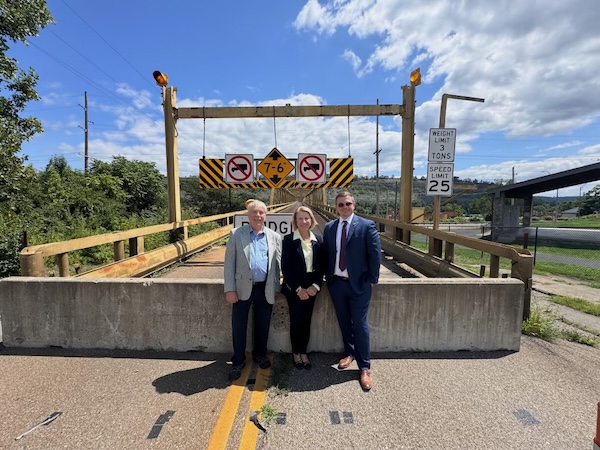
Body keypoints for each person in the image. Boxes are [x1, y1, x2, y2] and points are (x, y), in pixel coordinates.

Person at [323, 191, 381, 390]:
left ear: (354, 205)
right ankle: (350, 353)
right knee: (343, 321)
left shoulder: (366, 226)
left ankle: (365, 367)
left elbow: (375, 254)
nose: (344, 207)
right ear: (336, 207)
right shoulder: (330, 227)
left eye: (348, 203)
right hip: (336, 283)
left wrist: (372, 279)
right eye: (340, 204)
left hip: (359, 284)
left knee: (360, 324)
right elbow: (328, 254)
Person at [224, 199, 282, 381]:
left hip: (265, 287)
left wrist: (276, 286)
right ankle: (238, 360)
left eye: (261, 213)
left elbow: (277, 265)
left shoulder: (274, 236)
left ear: (266, 215)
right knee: (239, 326)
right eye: (254, 212)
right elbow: (229, 264)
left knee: (263, 324)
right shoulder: (236, 234)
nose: (258, 215)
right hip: (241, 288)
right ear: (248, 216)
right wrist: (230, 289)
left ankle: (259, 354)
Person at [281, 205, 324, 371]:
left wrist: (315, 286)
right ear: (295, 221)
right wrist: (298, 289)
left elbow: (321, 266)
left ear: (311, 220)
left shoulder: (318, 240)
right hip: (294, 288)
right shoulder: (288, 240)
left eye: (307, 218)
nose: (304, 221)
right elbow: (286, 267)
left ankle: (304, 352)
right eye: (300, 218)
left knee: (307, 321)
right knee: (297, 320)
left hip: (312, 287)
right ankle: (296, 353)